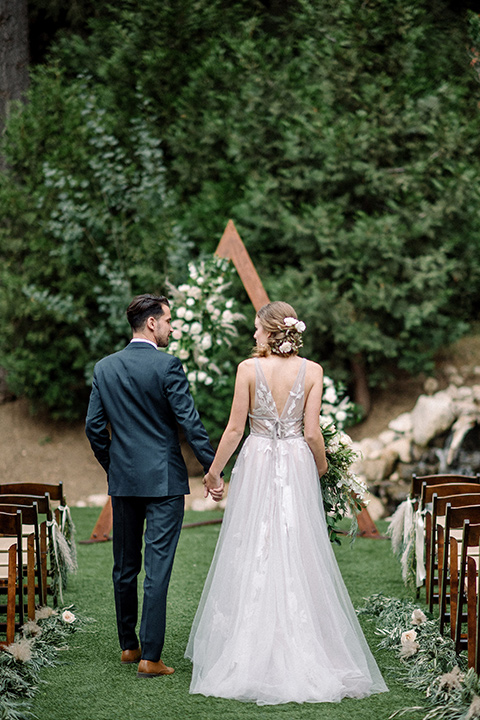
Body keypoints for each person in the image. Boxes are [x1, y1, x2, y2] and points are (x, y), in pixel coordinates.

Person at [186, 301, 388, 705]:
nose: (254, 336)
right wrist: (322, 465)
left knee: (254, 541)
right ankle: (305, 641)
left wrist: (213, 472)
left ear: (271, 331)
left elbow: (233, 429)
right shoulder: (312, 371)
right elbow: (312, 433)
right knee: (297, 542)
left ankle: (249, 642)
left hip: (258, 457)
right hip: (295, 459)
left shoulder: (247, 370)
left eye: (258, 329)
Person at [85, 294, 218, 679]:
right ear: (151, 324)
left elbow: (95, 429)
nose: (172, 328)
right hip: (164, 482)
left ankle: (129, 646)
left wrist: (115, 466)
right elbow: (189, 423)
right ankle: (150, 657)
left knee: (124, 566)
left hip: (124, 481)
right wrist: (213, 468)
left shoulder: (105, 367)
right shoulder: (167, 366)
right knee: (157, 569)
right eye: (169, 321)